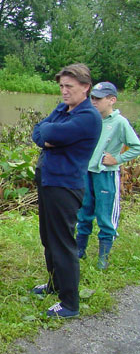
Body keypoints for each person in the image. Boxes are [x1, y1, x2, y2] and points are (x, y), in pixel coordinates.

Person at [31, 64, 102, 318]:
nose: (63, 91)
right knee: (48, 238)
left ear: (85, 87)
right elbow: (39, 130)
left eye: (69, 86)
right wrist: (47, 137)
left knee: (62, 242)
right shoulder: (64, 108)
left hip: (65, 185)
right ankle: (54, 284)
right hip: (49, 181)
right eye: (61, 86)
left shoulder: (87, 117)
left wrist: (48, 134)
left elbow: (48, 130)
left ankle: (70, 302)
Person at [76, 82, 140, 269]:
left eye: (99, 98)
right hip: (86, 172)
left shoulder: (119, 122)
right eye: (92, 97)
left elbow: (136, 146)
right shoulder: (89, 119)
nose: (94, 101)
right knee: (84, 211)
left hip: (106, 175)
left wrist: (117, 159)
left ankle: (103, 258)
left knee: (105, 216)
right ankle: (80, 250)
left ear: (111, 100)